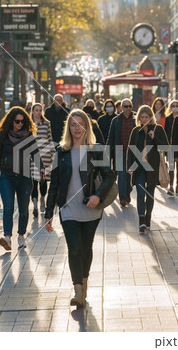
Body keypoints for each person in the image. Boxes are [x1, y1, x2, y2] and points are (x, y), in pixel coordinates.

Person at [44, 109, 115, 307]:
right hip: (68, 209)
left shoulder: (96, 149)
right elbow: (55, 184)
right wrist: (48, 213)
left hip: (91, 208)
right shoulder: (61, 151)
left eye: (81, 124)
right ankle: (78, 291)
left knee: (86, 248)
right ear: (68, 128)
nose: (77, 128)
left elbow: (109, 175)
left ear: (87, 126)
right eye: (73, 125)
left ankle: (84, 283)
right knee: (74, 249)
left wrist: (97, 196)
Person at [0, 107, 37, 251]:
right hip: (7, 176)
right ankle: (7, 237)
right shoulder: (3, 136)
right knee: (9, 207)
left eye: (22, 122)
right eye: (17, 121)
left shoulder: (29, 136)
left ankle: (21, 235)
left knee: (24, 209)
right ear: (11, 121)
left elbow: (36, 155)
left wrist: (41, 168)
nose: (19, 124)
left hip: (24, 177)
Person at [127, 105, 168, 234]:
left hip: (152, 167)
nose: (144, 119)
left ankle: (148, 217)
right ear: (139, 118)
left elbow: (166, 147)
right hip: (139, 168)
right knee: (140, 193)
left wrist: (153, 137)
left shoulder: (158, 129)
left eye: (147, 117)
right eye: (142, 117)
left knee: (149, 195)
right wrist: (130, 166)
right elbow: (130, 150)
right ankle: (141, 221)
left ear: (151, 118)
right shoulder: (135, 130)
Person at [107, 98, 136, 206]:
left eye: (129, 106)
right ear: (121, 107)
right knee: (122, 174)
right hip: (120, 152)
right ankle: (122, 197)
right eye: (125, 106)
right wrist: (108, 152)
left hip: (134, 152)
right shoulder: (116, 121)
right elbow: (111, 138)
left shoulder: (136, 119)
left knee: (130, 176)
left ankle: (127, 193)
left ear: (132, 107)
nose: (127, 109)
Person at [30, 103, 55, 217]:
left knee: (43, 179)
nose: (38, 112)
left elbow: (50, 139)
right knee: (33, 182)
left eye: (40, 110)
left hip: (45, 155)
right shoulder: (28, 124)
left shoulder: (46, 124)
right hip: (31, 156)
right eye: (36, 110)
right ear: (32, 111)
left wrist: (53, 153)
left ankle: (42, 198)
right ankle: (34, 203)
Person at [164, 100, 178, 196]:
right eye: (173, 106)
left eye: (176, 106)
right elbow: (166, 132)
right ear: (170, 108)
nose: (175, 107)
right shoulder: (168, 119)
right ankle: (171, 186)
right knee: (171, 167)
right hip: (170, 146)